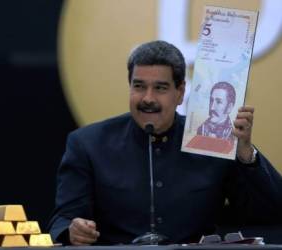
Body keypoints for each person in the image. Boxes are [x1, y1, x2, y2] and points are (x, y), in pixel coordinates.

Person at [47, 40, 282, 245]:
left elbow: (272, 211)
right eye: (139, 86)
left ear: (180, 93)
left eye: (160, 88)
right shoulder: (88, 144)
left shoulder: (210, 140)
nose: (148, 98)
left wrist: (245, 154)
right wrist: (73, 230)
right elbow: (62, 219)